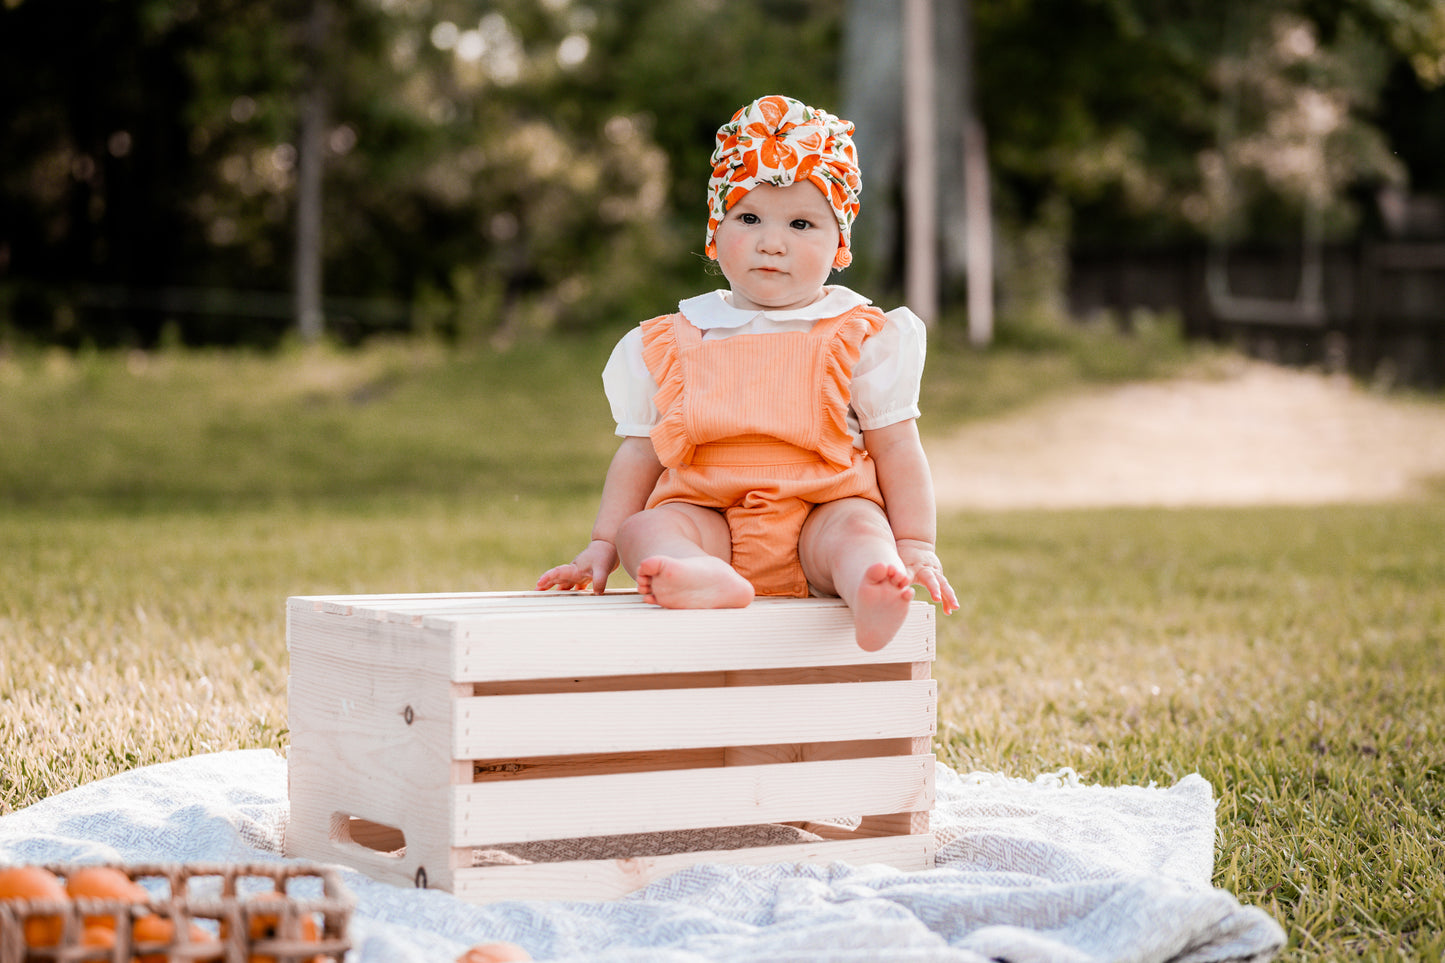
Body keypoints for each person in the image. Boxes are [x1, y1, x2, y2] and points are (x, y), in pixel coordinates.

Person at [538, 94, 957, 650]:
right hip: (708, 515)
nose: (771, 242)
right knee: (647, 528)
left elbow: (897, 447)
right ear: (716, 230)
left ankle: (872, 582)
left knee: (858, 529)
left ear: (839, 245)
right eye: (749, 217)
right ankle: (696, 573)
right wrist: (602, 543)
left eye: (802, 223)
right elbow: (640, 452)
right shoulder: (675, 336)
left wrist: (915, 543)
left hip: (820, 510)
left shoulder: (859, 335)